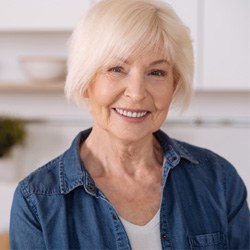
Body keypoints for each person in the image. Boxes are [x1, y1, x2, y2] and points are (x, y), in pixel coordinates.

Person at [10, 0, 249, 249]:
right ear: (86, 81)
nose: (136, 93)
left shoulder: (218, 180)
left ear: (174, 85)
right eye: (116, 69)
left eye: (156, 72)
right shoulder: (37, 201)